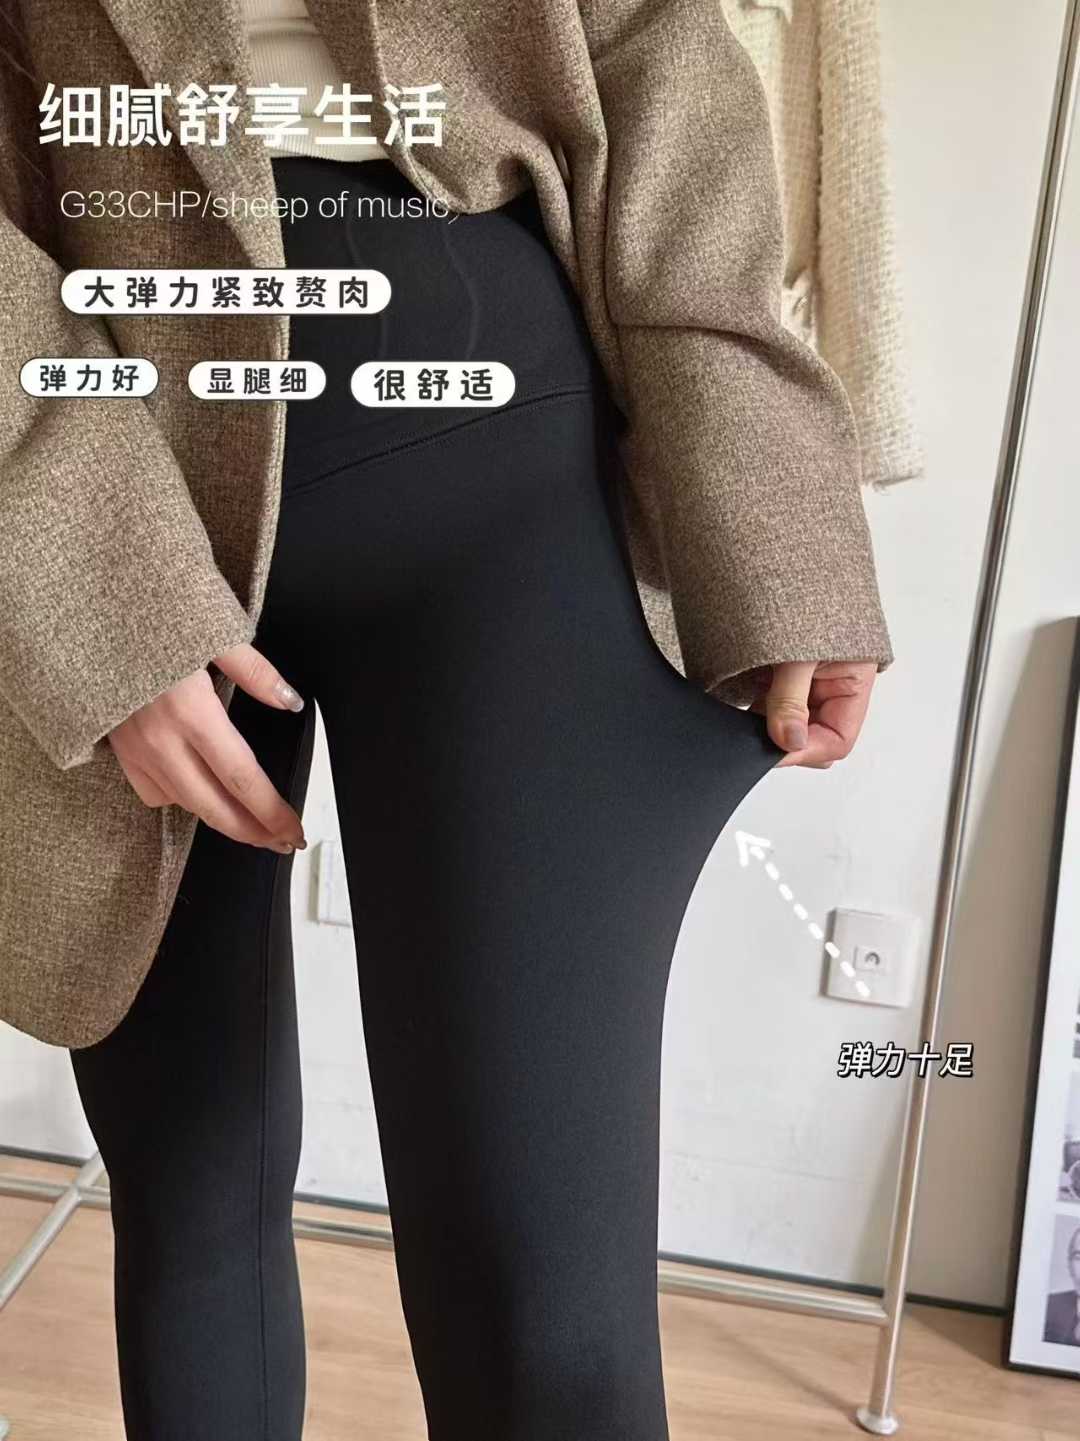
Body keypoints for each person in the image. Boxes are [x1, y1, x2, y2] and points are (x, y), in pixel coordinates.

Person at [0, 1, 894, 1437]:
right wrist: (91, 589)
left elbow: (661, 71)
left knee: (541, 1289)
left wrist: (778, 529)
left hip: (500, 467)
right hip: (109, 437)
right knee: (186, 1180)